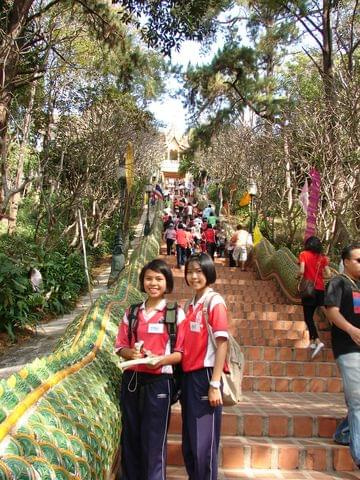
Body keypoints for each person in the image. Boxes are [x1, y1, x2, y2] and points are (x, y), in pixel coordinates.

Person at [115, 259, 185, 480]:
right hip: (132, 380)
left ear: (167, 283)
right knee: (131, 437)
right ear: (142, 281)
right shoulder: (133, 312)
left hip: (159, 384)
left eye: (158, 279)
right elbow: (120, 346)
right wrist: (131, 354)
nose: (153, 283)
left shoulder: (175, 313)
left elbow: (181, 353)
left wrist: (161, 360)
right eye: (148, 278)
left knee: (154, 441)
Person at [175, 253, 229, 480]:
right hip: (188, 377)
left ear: (208, 272)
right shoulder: (189, 305)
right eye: (190, 272)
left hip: (206, 376)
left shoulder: (214, 302)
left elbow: (222, 343)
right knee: (189, 441)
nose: (194, 276)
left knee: (203, 445)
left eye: (199, 271)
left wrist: (215, 384)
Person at [324, 243, 360, 467]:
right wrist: (351, 330)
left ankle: (344, 433)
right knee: (358, 402)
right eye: (357, 260)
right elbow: (331, 311)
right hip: (348, 349)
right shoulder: (338, 282)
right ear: (346, 262)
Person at [298, 236, 331, 358]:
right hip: (320, 289)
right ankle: (312, 343)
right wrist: (320, 279)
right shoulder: (322, 258)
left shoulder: (304, 254)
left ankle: (317, 340)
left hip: (309, 290)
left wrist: (299, 276)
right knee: (319, 310)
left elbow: (301, 271)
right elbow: (329, 273)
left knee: (308, 318)